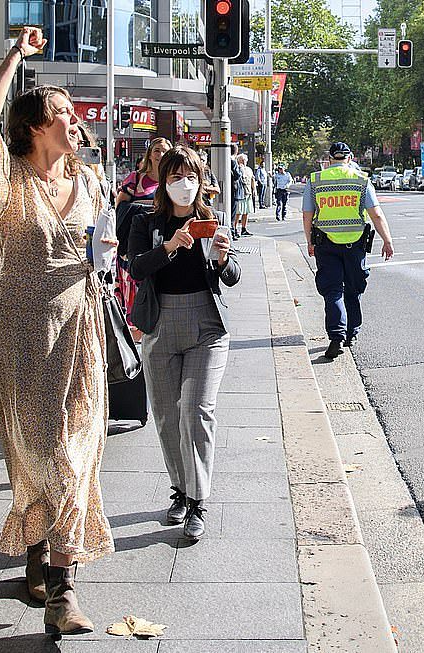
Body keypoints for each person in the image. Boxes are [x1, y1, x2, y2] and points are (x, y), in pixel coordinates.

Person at [0, 27, 114, 636]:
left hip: (79, 325)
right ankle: (41, 550)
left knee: (77, 451)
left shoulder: (88, 183)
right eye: (61, 113)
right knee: (37, 452)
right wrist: (14, 55)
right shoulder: (8, 177)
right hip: (17, 328)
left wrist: (104, 258)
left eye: (71, 112)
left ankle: (62, 589)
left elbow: (98, 247)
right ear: (35, 125)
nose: (73, 120)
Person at [128, 146, 241, 541]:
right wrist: (171, 245)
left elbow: (232, 277)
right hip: (160, 324)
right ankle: (180, 488)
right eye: (175, 177)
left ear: (202, 182)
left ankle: (198, 501)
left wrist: (223, 260)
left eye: (190, 177)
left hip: (207, 327)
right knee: (165, 414)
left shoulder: (215, 221)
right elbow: (136, 266)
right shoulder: (147, 221)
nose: (184, 185)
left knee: (196, 411)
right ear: (163, 181)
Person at [302, 142, 394, 359]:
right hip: (355, 245)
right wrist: (387, 241)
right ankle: (352, 333)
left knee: (332, 291)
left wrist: (310, 241)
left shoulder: (316, 180)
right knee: (353, 290)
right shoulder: (361, 180)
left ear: (330, 158)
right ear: (350, 157)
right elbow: (376, 214)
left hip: (325, 245)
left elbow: (307, 214)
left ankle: (336, 337)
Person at [115, 137, 171, 327]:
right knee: (133, 285)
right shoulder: (136, 178)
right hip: (135, 238)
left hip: (161, 239)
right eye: (156, 150)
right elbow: (121, 206)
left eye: (164, 150)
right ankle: (136, 328)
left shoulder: (172, 179)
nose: (160, 154)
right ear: (150, 154)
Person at [236, 153, 256, 236]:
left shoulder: (249, 169)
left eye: (244, 160)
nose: (243, 162)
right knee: (238, 212)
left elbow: (252, 180)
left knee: (246, 212)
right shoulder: (237, 169)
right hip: (240, 194)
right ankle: (235, 228)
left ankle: (244, 228)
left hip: (248, 193)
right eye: (241, 160)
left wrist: (254, 190)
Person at [230, 144, 243, 240]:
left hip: (230, 189)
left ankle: (232, 231)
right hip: (233, 190)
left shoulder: (227, 160)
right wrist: (241, 169)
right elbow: (237, 175)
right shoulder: (233, 161)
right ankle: (232, 232)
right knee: (233, 213)